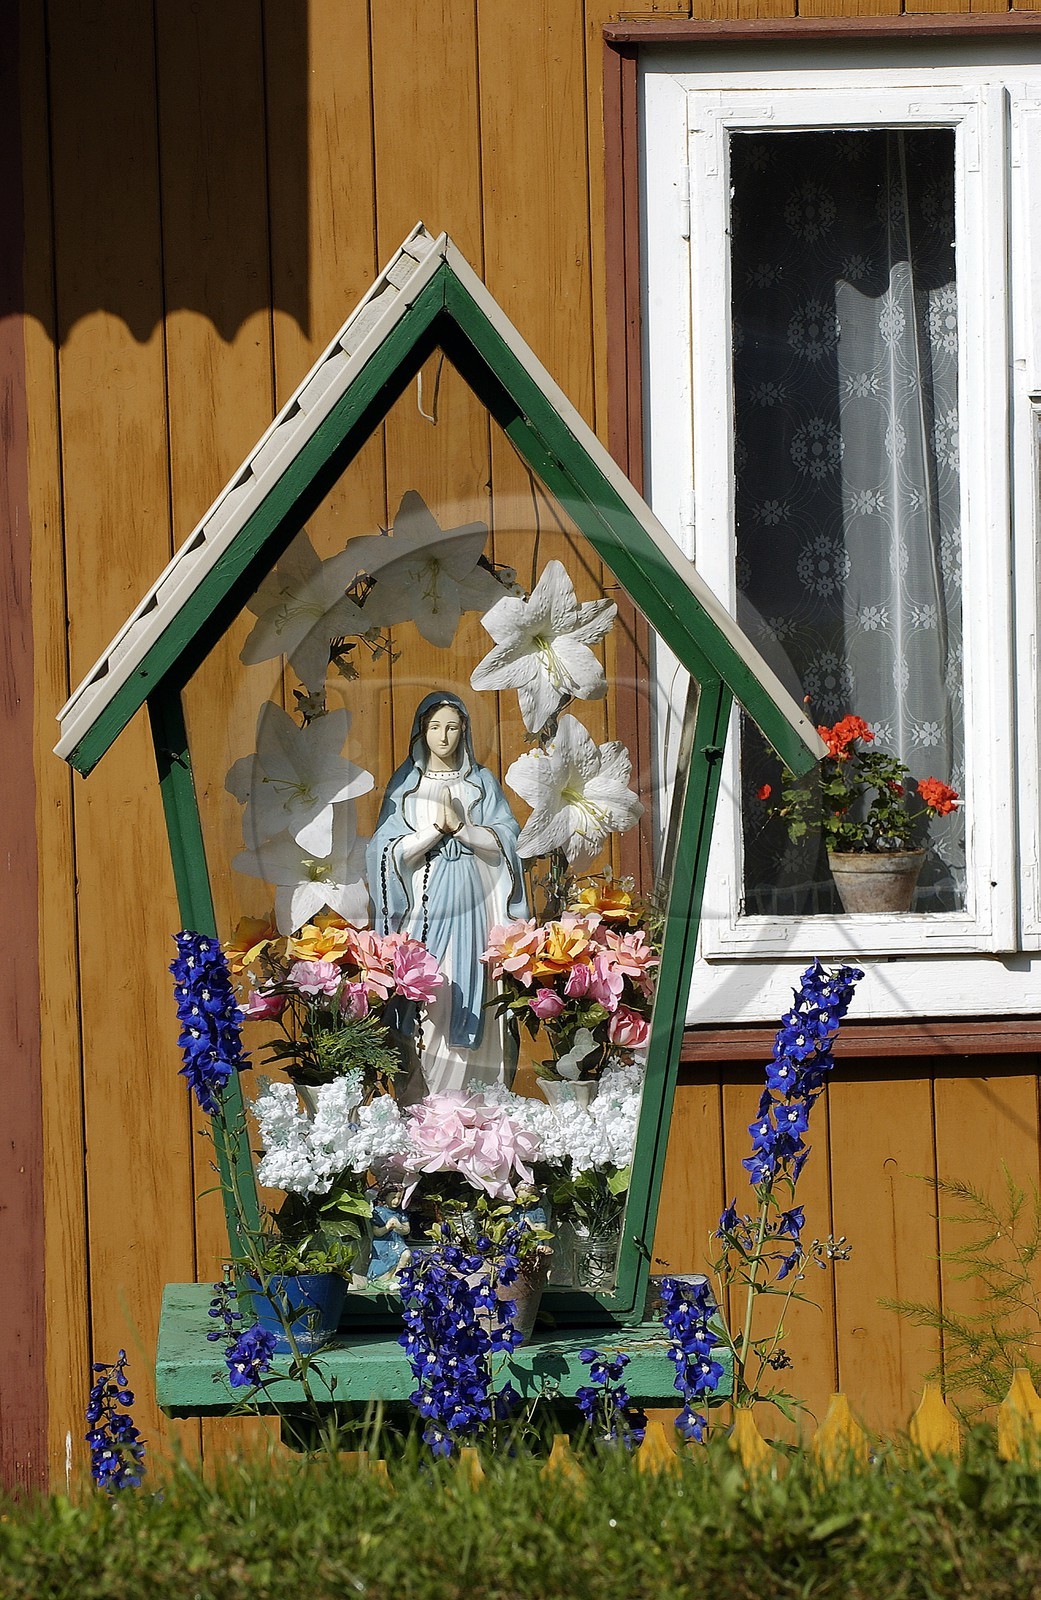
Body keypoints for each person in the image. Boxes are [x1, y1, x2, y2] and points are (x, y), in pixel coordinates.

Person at [366, 692, 528, 1098]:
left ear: (464, 732)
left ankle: (473, 1097)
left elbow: (508, 839)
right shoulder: (406, 787)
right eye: (435, 727)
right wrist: (433, 832)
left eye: (452, 728)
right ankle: (431, 1097)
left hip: (473, 900)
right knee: (431, 988)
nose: (444, 737)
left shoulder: (480, 783)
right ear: (422, 731)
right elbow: (383, 850)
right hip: (426, 905)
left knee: (471, 978)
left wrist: (464, 830)